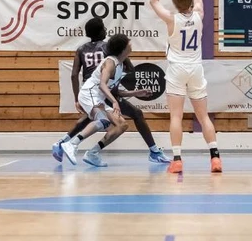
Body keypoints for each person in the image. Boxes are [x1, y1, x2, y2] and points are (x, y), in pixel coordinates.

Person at [52, 18, 170, 166]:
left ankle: (69, 144)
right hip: (97, 90)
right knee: (127, 116)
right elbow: (120, 74)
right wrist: (115, 98)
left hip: (98, 90)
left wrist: (76, 99)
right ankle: (154, 152)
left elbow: (74, 75)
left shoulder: (82, 49)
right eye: (104, 28)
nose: (106, 30)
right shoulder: (110, 52)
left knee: (103, 121)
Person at [150, 0, 222, 174]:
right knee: (204, 116)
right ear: (191, 2)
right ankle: (215, 158)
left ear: (175, 3)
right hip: (195, 68)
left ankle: (177, 160)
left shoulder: (171, 19)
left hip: (177, 69)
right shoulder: (199, 14)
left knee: (176, 117)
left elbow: (153, 1)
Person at [61, 34, 131, 166]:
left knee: (122, 124)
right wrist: (114, 101)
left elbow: (113, 89)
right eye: (129, 43)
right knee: (103, 121)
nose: (131, 44)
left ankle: (92, 153)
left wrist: (137, 93)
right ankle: (72, 144)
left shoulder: (120, 65)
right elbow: (102, 85)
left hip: (98, 97)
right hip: (90, 93)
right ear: (123, 48)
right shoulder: (110, 62)